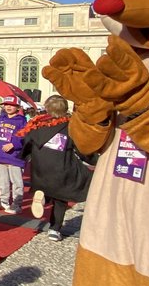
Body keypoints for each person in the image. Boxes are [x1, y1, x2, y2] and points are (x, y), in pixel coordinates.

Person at [16, 95, 93, 241]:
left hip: (40, 167)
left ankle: (43, 196)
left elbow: (27, 142)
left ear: (46, 108)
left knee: (45, 187)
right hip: (61, 168)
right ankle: (54, 229)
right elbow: (81, 148)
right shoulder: (70, 127)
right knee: (61, 198)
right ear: (65, 109)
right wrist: (93, 159)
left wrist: (24, 157)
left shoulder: (37, 125)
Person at [0, 96, 28, 214]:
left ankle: (17, 203)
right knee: (1, 181)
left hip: (15, 157)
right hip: (1, 156)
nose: (8, 107)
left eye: (11, 105)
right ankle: (3, 201)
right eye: (6, 104)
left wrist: (13, 144)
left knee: (17, 182)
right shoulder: (0, 119)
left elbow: (25, 136)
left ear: (18, 107)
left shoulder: (22, 121)